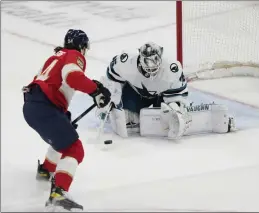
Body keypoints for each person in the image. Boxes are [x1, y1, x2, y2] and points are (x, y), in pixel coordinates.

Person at [22, 29, 111, 212]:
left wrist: (61, 115)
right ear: (82, 46)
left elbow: (49, 85)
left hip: (32, 106)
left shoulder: (55, 57)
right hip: (44, 106)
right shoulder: (73, 54)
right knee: (74, 148)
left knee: (64, 137)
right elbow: (72, 77)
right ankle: (58, 194)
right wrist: (95, 90)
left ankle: (46, 170)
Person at [97, 41, 236, 140]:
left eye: (154, 67)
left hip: (160, 97)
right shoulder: (126, 62)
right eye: (147, 67)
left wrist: (176, 108)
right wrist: (112, 101)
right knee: (127, 115)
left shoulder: (172, 68)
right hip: (135, 95)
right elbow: (112, 80)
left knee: (170, 113)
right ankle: (129, 114)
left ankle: (174, 116)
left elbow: (177, 96)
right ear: (140, 59)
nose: (151, 71)